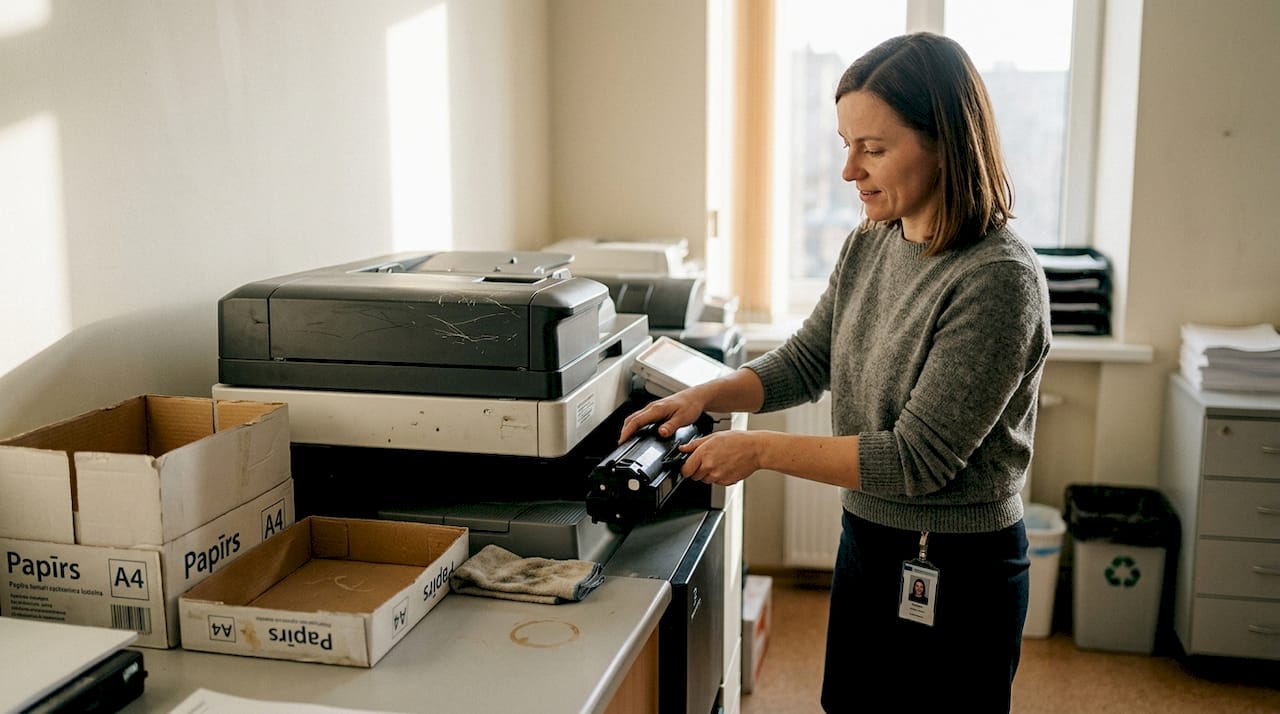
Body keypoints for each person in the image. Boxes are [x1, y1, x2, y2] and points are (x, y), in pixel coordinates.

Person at [618, 31, 1050, 712]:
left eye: (873, 149)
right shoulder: (873, 241)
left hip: (957, 564)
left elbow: (916, 461)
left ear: (946, 144)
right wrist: (705, 392)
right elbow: (808, 359)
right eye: (846, 144)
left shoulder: (997, 279)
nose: (850, 170)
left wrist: (756, 448)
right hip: (869, 542)